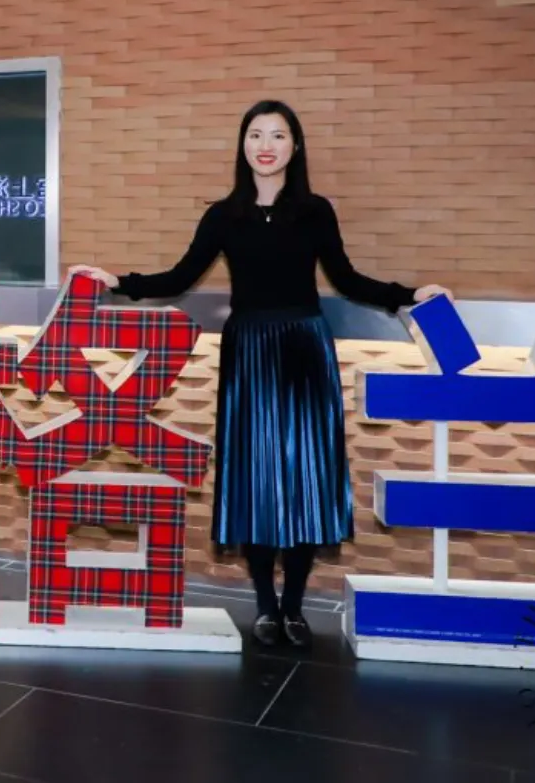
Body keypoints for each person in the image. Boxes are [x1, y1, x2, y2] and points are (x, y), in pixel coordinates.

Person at [70, 100, 449, 648]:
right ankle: (265, 607)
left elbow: (347, 279)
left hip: (303, 347)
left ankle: (294, 605)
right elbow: (178, 276)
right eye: (255, 135)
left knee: (302, 478)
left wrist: (412, 295)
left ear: (295, 146)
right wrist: (116, 281)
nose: (265, 145)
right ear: (243, 145)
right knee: (254, 477)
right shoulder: (223, 215)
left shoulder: (316, 211)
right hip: (248, 350)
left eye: (277, 135)